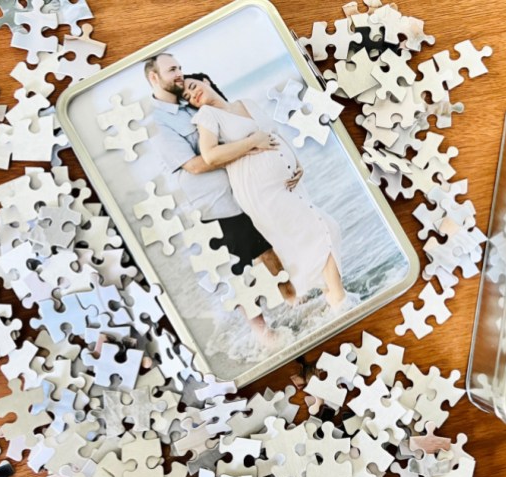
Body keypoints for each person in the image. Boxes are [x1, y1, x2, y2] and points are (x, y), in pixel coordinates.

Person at [144, 53, 297, 342]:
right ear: (154, 77)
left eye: (180, 67)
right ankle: (263, 333)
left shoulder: (190, 103)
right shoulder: (158, 124)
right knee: (237, 270)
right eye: (172, 69)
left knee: (268, 250)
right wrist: (250, 146)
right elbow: (195, 164)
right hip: (215, 206)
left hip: (242, 190)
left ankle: (292, 300)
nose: (179, 73)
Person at [185, 74, 351, 312]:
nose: (194, 96)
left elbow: (273, 133)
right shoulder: (207, 116)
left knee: (308, 236)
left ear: (206, 81)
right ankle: (339, 300)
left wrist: (297, 161)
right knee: (324, 227)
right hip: (258, 189)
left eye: (194, 87)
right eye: (189, 97)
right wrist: (251, 143)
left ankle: (329, 295)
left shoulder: (246, 103)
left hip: (289, 181)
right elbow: (210, 155)